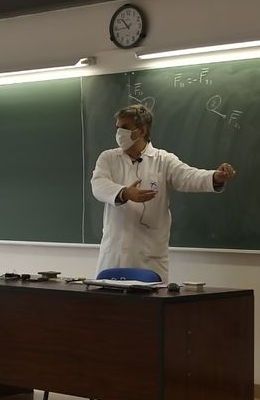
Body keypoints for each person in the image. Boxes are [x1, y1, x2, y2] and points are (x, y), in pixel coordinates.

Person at [90, 104, 236, 281]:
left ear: (142, 131)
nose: (119, 132)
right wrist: (125, 193)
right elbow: (98, 185)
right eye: (118, 128)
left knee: (149, 306)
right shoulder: (109, 158)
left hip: (149, 259)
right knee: (109, 307)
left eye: (125, 128)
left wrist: (215, 177)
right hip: (114, 256)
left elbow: (188, 176)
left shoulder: (163, 160)